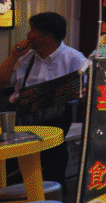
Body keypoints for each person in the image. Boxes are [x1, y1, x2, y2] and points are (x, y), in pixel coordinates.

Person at [0, 12, 88, 186]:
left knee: (53, 158)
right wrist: (13, 56)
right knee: (12, 160)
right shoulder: (25, 56)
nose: (27, 35)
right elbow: (2, 83)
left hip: (55, 118)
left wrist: (77, 95)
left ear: (47, 38)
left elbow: (85, 93)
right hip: (22, 115)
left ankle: (53, 196)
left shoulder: (74, 59)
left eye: (33, 30)